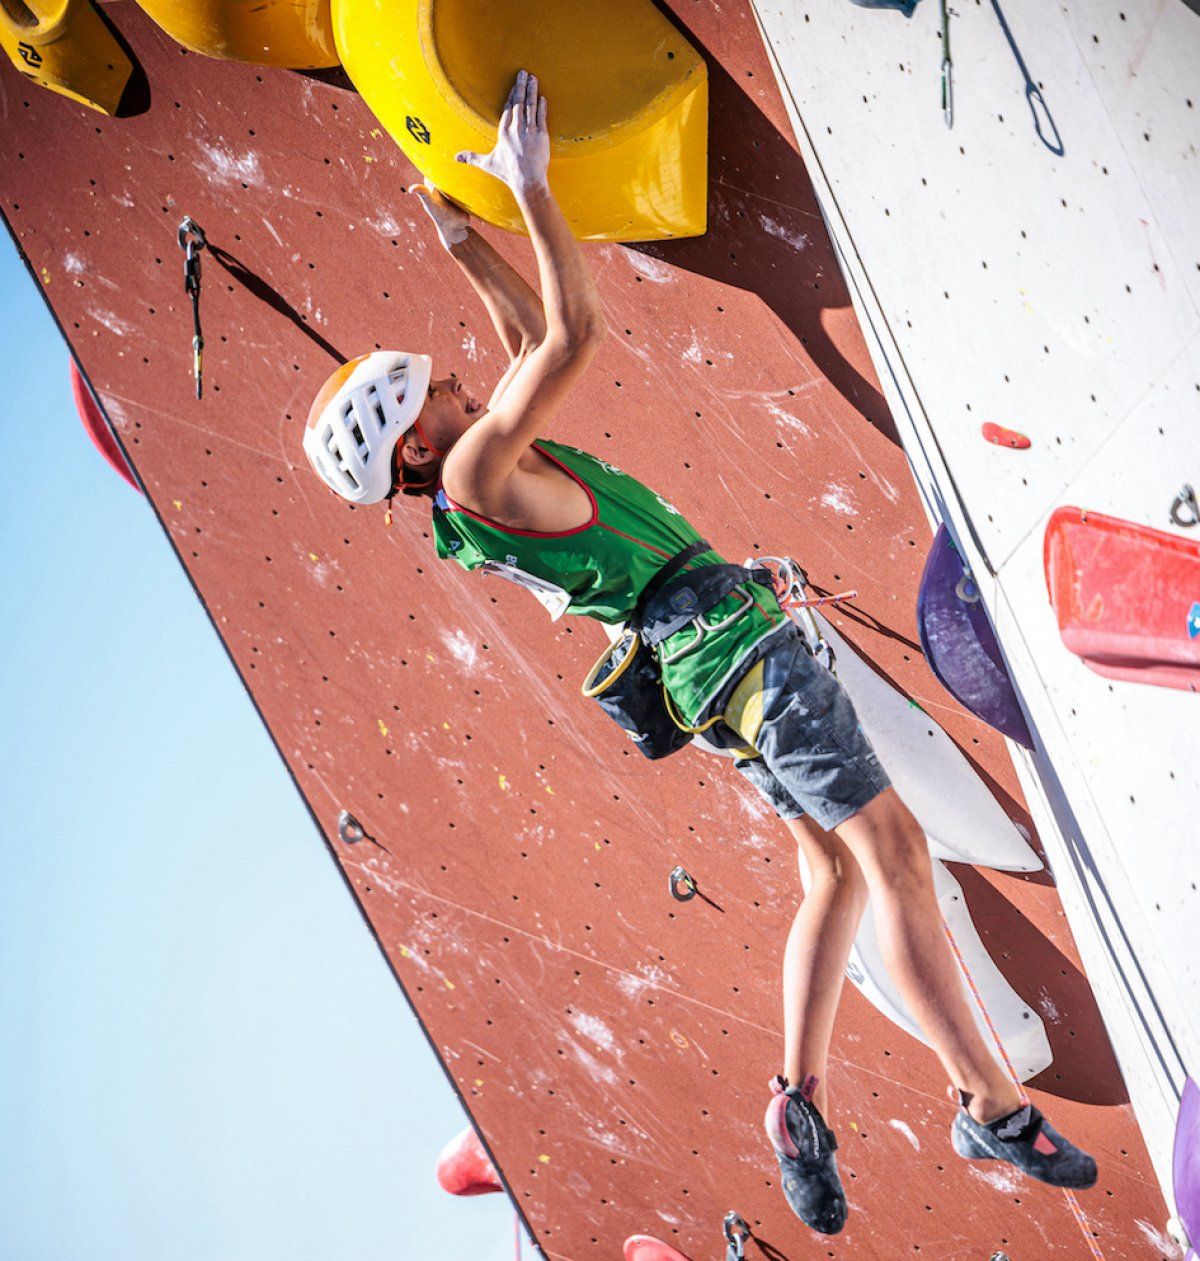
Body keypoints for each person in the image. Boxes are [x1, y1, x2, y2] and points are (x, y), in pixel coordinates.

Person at [302, 70, 1097, 1235]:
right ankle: (985, 1099)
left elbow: (527, 336)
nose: (461, 377)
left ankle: (799, 1100)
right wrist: (533, 189)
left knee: (828, 873)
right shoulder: (475, 475)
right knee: (892, 851)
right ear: (417, 443)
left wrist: (460, 237)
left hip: (705, 655)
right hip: (731, 646)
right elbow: (575, 330)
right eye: (438, 390)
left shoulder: (473, 488)